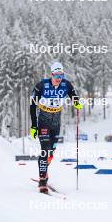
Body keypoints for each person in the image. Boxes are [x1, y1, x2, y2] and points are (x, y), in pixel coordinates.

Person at [30, 62, 82, 193]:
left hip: (56, 121)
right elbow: (32, 106)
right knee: (45, 150)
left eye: (61, 75)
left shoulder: (66, 84)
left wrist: (76, 102)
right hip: (43, 119)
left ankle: (44, 170)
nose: (58, 78)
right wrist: (34, 125)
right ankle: (42, 179)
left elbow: (73, 94)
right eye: (56, 75)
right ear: (51, 74)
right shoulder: (41, 85)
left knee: (51, 152)